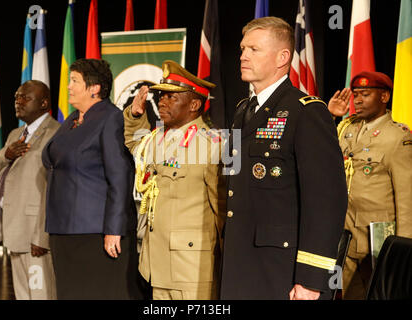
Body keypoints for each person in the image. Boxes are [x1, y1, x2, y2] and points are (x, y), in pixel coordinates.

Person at [220, 17, 348, 300]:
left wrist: (312, 279)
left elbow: (326, 201)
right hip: (243, 262)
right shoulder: (244, 109)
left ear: (282, 57)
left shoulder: (306, 112)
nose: (243, 56)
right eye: (242, 49)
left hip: (284, 270)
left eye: (254, 49)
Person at [42, 58, 144, 300]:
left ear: (94, 88)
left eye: (74, 81)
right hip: (63, 230)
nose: (68, 86)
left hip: (95, 233)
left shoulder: (110, 118)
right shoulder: (72, 120)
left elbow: (119, 177)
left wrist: (113, 230)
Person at [123, 60, 226, 300]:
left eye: (171, 97)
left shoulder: (214, 146)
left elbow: (224, 210)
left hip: (192, 268)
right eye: (161, 96)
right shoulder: (158, 138)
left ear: (194, 104)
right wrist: (136, 115)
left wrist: (229, 261)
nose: (162, 101)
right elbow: (136, 147)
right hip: (157, 265)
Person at [328, 71, 412, 299]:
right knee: (344, 294)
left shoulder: (397, 137)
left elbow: (407, 197)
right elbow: (319, 155)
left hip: (377, 237)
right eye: (355, 95)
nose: (357, 101)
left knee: (379, 294)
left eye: (365, 94)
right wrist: (329, 117)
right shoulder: (347, 129)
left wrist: (402, 248)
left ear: (384, 97)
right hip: (344, 234)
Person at [0, 80, 59, 300]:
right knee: (22, 295)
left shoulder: (55, 133)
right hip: (15, 227)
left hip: (35, 233)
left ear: (44, 103)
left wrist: (42, 236)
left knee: (40, 294)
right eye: (17, 97)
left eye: (25, 98)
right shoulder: (16, 134)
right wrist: (6, 155)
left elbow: (53, 189)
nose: (18, 102)